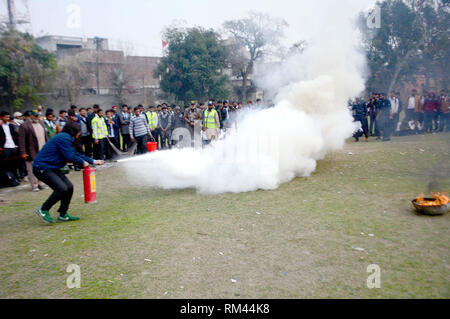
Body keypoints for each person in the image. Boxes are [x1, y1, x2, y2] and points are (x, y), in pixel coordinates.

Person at [32, 122, 104, 224]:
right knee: (61, 189)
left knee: (69, 187)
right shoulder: (63, 138)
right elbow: (69, 156)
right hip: (42, 168)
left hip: (52, 168)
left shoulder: (66, 138)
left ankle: (63, 214)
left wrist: (93, 161)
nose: (79, 135)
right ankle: (43, 209)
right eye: (78, 132)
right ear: (73, 131)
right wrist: (82, 162)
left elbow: (75, 154)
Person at [19, 110, 49, 191]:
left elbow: (46, 137)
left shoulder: (41, 124)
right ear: (31, 116)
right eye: (35, 116)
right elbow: (21, 141)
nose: (37, 117)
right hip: (31, 151)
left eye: (38, 116)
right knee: (31, 169)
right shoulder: (24, 125)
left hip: (42, 150)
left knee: (42, 168)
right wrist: (23, 152)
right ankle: (34, 185)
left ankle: (41, 183)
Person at [0, 111, 21, 186]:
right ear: (1, 117)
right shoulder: (0, 126)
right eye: (6, 117)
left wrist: (16, 144)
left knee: (14, 164)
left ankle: (16, 178)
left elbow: (16, 134)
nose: (8, 118)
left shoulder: (11, 126)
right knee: (6, 165)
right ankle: (9, 180)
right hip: (5, 148)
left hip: (13, 146)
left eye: (8, 117)